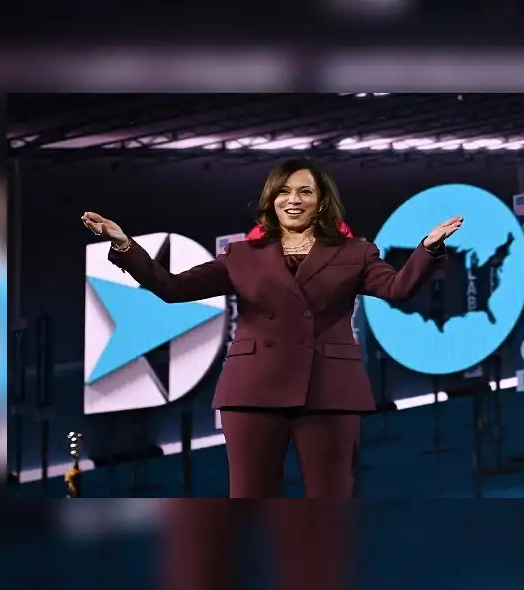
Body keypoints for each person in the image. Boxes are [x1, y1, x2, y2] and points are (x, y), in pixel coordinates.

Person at [81, 158, 462, 498]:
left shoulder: (356, 254)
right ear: (272, 199)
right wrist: (124, 245)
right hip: (252, 391)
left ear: (322, 201)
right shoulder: (241, 256)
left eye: (305, 191)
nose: (292, 199)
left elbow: (397, 288)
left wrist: (427, 249)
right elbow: (172, 288)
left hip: (329, 390)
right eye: (283, 191)